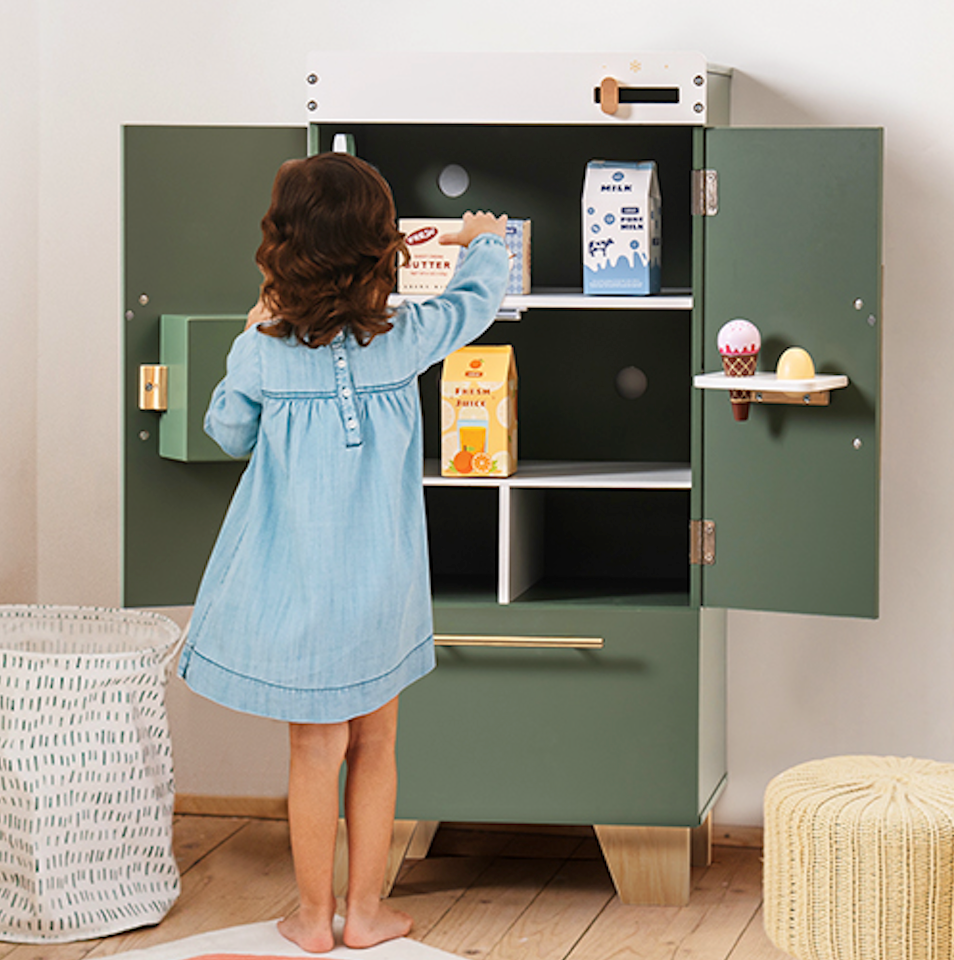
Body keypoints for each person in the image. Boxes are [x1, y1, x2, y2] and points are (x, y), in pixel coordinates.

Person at [176, 151, 509, 952]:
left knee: (312, 752)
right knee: (379, 744)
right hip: (383, 583)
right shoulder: (405, 339)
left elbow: (228, 431)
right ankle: (366, 913)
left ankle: (310, 918)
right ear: (379, 248)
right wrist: (484, 237)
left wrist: (252, 325)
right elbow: (480, 300)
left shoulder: (262, 349)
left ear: (283, 248)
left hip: (296, 587)